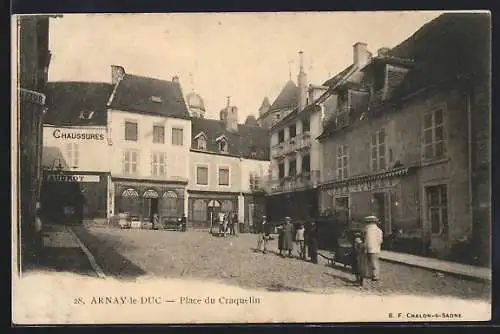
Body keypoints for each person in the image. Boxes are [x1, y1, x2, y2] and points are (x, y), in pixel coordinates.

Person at [363, 215, 383, 281]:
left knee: (369, 262)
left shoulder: (367, 230)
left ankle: (370, 274)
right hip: (376, 249)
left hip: (368, 248)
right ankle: (375, 275)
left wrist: (364, 245)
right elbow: (380, 240)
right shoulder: (379, 230)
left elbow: (365, 239)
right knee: (375, 262)